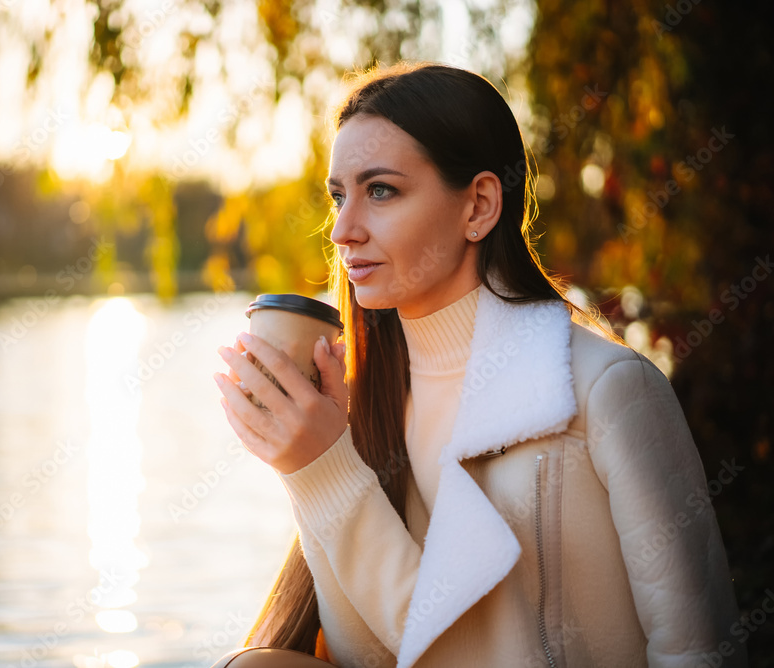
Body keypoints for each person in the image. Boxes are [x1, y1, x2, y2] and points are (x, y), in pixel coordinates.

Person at [212, 61, 744, 668]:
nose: (342, 229)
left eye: (380, 190)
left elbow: (701, 649)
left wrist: (326, 472)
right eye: (339, 195)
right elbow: (374, 655)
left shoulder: (606, 389)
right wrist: (313, 471)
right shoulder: (377, 400)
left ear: (480, 206)